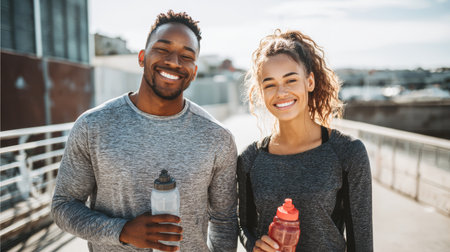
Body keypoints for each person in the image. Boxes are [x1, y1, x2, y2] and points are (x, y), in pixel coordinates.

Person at [51, 10, 238, 252]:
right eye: (162, 49)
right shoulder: (93, 126)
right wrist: (122, 231)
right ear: (142, 57)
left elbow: (224, 221)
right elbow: (64, 205)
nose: (174, 61)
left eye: (186, 55)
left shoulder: (218, 138)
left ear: (193, 70)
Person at [237, 30, 373, 252]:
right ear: (261, 92)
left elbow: (362, 243)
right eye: (269, 84)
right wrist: (254, 245)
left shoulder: (347, 153)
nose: (281, 92)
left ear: (309, 82)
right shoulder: (250, 159)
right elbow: (245, 225)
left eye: (291, 80)